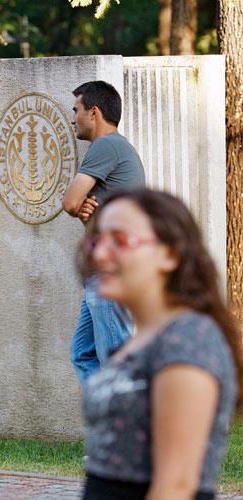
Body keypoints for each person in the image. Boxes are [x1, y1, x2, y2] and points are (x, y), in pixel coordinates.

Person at [79, 188, 241, 500]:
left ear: (170, 255)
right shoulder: (141, 340)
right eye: (97, 240)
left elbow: (176, 487)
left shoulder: (188, 341)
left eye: (121, 240)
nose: (99, 254)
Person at [62, 80, 145, 385]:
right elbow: (91, 212)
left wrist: (79, 207)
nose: (74, 118)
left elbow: (70, 202)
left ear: (93, 112)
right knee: (84, 353)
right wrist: (87, 214)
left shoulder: (106, 145)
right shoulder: (116, 148)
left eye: (77, 110)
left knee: (115, 356)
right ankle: (108, 422)